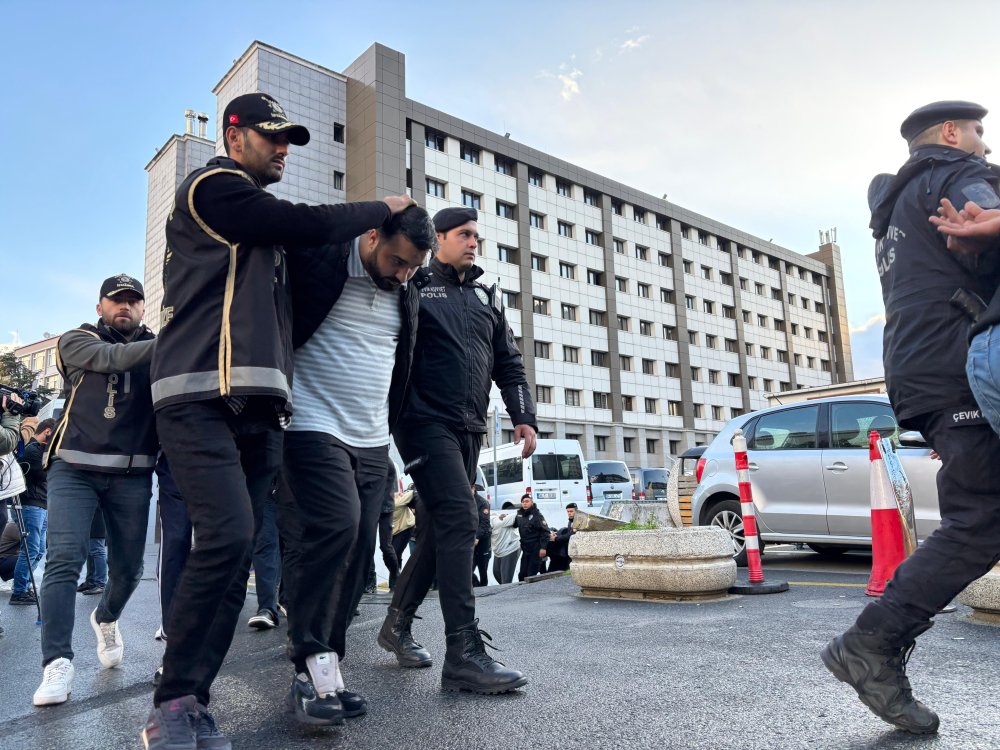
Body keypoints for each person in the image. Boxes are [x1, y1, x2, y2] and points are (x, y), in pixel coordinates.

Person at [143, 91, 416, 749]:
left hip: (263, 405)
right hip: (197, 394)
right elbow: (303, 224)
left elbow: (316, 263)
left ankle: (200, 698)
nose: (284, 149)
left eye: (289, 139)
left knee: (239, 550)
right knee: (230, 536)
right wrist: (384, 207)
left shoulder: (268, 237)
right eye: (272, 137)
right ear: (233, 136)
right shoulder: (211, 188)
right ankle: (173, 703)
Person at [822, 101, 1000, 735]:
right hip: (963, 367)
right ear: (952, 134)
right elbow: (986, 232)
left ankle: (874, 643)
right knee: (979, 522)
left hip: (920, 371)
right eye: (979, 131)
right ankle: (871, 642)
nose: (985, 142)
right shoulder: (957, 175)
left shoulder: (896, 205)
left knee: (979, 518)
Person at [279, 204, 434, 725]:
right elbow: (299, 226)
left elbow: (403, 362)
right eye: (396, 261)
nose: (403, 274)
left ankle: (328, 665)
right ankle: (307, 665)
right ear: (371, 237)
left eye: (413, 267)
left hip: (372, 439)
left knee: (359, 547)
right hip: (310, 423)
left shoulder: (406, 291)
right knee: (333, 529)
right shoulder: (321, 260)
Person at [377, 205, 536, 694]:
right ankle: (463, 653)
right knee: (462, 518)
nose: (473, 243)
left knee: (438, 531)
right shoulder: (416, 286)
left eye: (476, 237)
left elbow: (508, 363)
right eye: (464, 235)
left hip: (469, 430)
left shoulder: (487, 296)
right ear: (439, 239)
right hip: (422, 423)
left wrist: (523, 415)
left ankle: (396, 626)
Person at [34, 274, 157, 708]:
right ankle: (57, 663)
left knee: (128, 570)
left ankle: (105, 617)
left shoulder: (159, 342)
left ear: (144, 308)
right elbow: (108, 358)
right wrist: (180, 343)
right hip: (73, 466)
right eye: (115, 300)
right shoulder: (76, 339)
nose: (124, 306)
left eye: (132, 301)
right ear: (100, 305)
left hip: (133, 471)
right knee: (64, 560)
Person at [9, 418, 54, 605]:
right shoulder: (32, 451)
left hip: (41, 504)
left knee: (39, 549)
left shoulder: (40, 450)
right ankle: (19, 591)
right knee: (31, 549)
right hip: (31, 504)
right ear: (48, 432)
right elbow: (46, 475)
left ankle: (24, 585)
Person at [366, 464, 402, 594]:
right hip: (370, 507)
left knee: (385, 546)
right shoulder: (369, 459)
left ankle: (396, 576)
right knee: (367, 545)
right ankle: (370, 581)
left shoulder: (387, 463)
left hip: (385, 507)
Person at [515, 494, 549, 581]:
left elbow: (545, 532)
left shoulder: (537, 516)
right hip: (525, 549)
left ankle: (531, 594)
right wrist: (502, 517)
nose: (524, 504)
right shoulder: (519, 514)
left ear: (532, 502)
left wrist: (543, 548)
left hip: (536, 548)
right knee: (522, 574)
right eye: (523, 502)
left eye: (527, 501)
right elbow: (513, 524)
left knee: (531, 574)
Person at [77, 508, 108, 595]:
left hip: (97, 518)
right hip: (91, 519)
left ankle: (101, 584)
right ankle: (91, 582)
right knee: (91, 552)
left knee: (97, 551)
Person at [390, 485, 417, 581]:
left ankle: (396, 581)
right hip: (395, 530)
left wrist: (401, 494)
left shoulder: (398, 501)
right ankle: (397, 580)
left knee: (396, 553)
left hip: (406, 528)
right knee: (394, 554)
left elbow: (412, 493)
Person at [490, 501, 520, 585]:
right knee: (496, 573)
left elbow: (517, 516)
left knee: (506, 579)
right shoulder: (486, 522)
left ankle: (508, 595)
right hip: (499, 551)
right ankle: (506, 591)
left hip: (510, 548)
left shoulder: (501, 521)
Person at [545, 502, 577, 573]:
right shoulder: (571, 521)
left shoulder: (577, 521)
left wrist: (556, 538)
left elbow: (571, 535)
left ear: (576, 511)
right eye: (568, 511)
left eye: (571, 511)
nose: (569, 513)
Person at [472, 486, 491, 586]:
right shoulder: (465, 500)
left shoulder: (482, 502)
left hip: (482, 539)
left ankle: (483, 589)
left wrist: (477, 537)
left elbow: (484, 524)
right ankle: (475, 587)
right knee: (468, 570)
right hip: (470, 540)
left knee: (482, 570)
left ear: (473, 488)